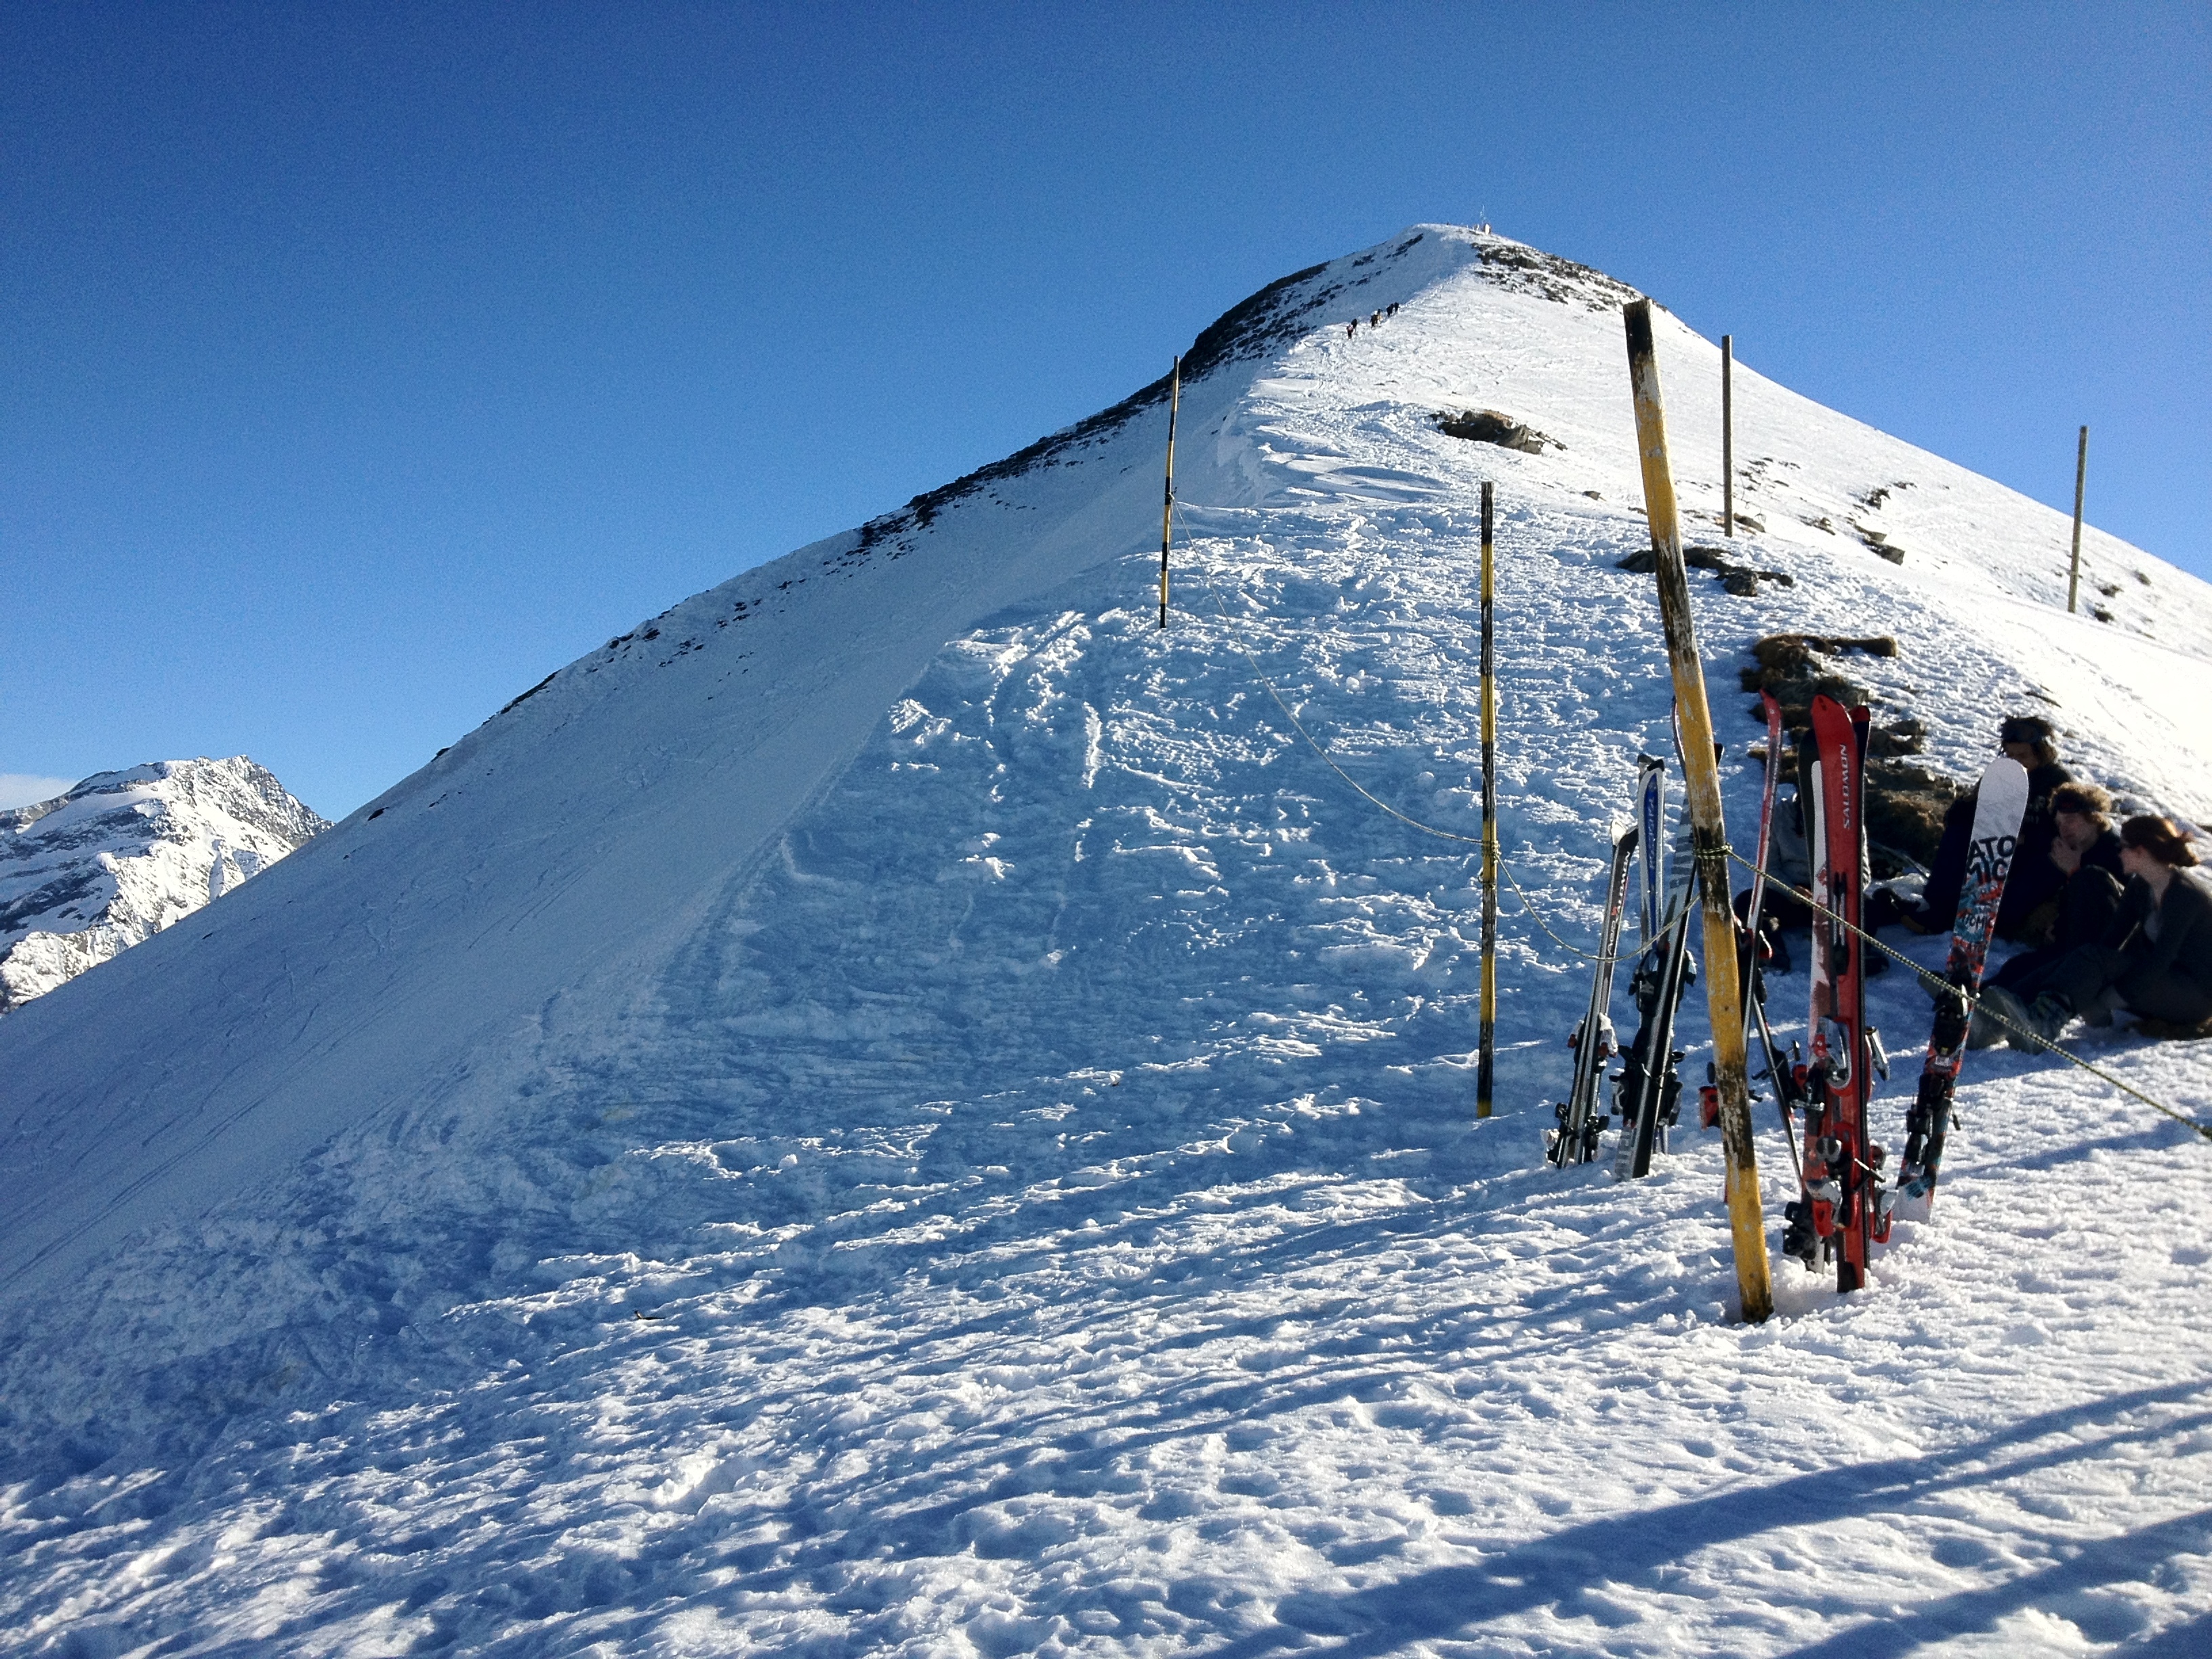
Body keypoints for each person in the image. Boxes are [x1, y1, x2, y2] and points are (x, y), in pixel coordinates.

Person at [1980, 815, 2212, 1046]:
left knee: (2095, 959)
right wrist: (2086, 979)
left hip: (2194, 996)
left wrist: (2110, 998)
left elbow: (2160, 960)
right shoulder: (2141, 885)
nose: (2119, 853)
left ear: (2141, 851)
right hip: (2157, 978)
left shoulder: (2185, 896)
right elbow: (2110, 942)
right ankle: (1994, 1015)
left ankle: (2043, 1024)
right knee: (2086, 954)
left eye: (2124, 847)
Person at [1969, 783, 2127, 1043]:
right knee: (2018, 965)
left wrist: (2073, 872)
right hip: (2072, 941)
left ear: (2095, 820)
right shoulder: (2068, 848)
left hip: (2096, 956)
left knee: (2047, 970)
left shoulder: (2117, 855)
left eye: (2072, 821)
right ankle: (1975, 998)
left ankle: (2000, 1011)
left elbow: (2108, 915)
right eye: (2060, 823)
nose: (2065, 829)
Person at [1901, 714, 2073, 939]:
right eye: (2011, 755)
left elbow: (2064, 834)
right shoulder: (2004, 774)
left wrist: (2025, 839)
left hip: (2033, 853)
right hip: (1997, 844)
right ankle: (1937, 905)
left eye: (2023, 756)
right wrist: (1970, 806)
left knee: (2012, 862)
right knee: (1959, 834)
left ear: (2041, 752)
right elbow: (1960, 814)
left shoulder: (2057, 781)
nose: (2016, 761)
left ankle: (1963, 917)